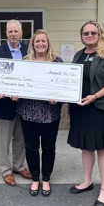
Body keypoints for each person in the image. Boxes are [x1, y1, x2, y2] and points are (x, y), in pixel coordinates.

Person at [67, 21, 104, 206]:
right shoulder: (79, 54)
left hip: (101, 108)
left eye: (93, 32)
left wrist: (95, 96)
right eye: (86, 33)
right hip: (82, 109)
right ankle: (87, 181)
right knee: (86, 146)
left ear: (99, 34)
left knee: (102, 148)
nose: (89, 35)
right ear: (81, 36)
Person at [13, 29, 63, 197]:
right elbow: (17, 85)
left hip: (51, 114)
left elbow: (64, 87)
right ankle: (35, 178)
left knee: (49, 148)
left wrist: (58, 98)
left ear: (48, 43)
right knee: (31, 148)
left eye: (43, 41)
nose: (40, 44)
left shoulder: (57, 62)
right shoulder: (24, 62)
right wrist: (13, 93)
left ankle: (46, 179)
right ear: (32, 44)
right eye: (37, 41)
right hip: (28, 113)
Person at [0, 19, 32, 186]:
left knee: (20, 138)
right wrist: (0, 91)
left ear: (21, 32)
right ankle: (6, 170)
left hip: (24, 104)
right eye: (10, 32)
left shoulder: (28, 50)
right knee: (4, 139)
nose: (13, 34)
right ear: (5, 33)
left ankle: (18, 165)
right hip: (4, 103)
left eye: (16, 31)